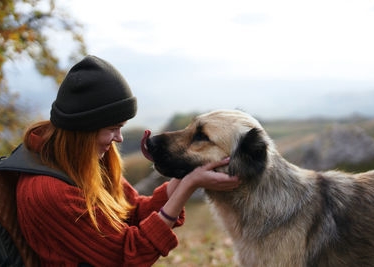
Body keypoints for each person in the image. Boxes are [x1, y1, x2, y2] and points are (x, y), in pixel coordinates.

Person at [16, 55, 241, 266]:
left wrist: (186, 177)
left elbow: (130, 212)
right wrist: (188, 186)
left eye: (121, 128)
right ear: (84, 130)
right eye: (112, 129)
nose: (119, 138)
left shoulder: (86, 161)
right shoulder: (48, 192)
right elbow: (126, 255)